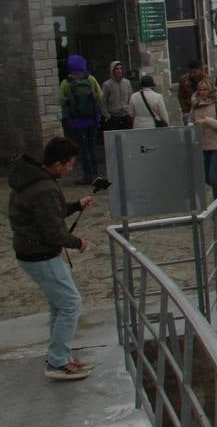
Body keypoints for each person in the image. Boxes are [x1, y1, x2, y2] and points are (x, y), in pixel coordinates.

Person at [8, 136, 96, 381]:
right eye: (69, 164)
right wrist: (77, 242)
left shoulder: (31, 180)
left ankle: (59, 355)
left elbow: (46, 214)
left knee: (60, 304)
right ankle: (58, 360)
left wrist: (76, 205)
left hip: (31, 252)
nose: (70, 169)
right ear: (58, 163)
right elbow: (51, 229)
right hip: (40, 254)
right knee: (70, 304)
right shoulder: (44, 187)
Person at [58, 54, 104, 184]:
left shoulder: (66, 83)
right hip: (92, 118)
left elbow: (60, 100)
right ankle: (95, 172)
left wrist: (70, 101)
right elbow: (100, 95)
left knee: (83, 148)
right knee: (92, 146)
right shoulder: (91, 79)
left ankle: (87, 175)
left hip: (77, 121)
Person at [191, 78, 217, 199]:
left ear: (210, 90)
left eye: (205, 89)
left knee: (213, 177)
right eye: (200, 90)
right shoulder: (195, 106)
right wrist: (192, 125)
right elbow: (191, 121)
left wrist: (207, 121)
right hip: (202, 145)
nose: (202, 92)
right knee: (206, 178)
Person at [100, 60, 134, 132]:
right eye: (117, 69)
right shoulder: (107, 84)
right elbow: (103, 101)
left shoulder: (127, 83)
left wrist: (131, 113)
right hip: (113, 117)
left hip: (125, 115)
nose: (119, 71)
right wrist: (107, 115)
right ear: (112, 70)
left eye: (120, 68)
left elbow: (131, 99)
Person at [177, 60, 205, 126]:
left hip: (202, 109)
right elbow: (180, 96)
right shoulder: (183, 80)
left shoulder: (205, 79)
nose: (193, 74)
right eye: (191, 72)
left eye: (195, 72)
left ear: (199, 69)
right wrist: (185, 111)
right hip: (188, 110)